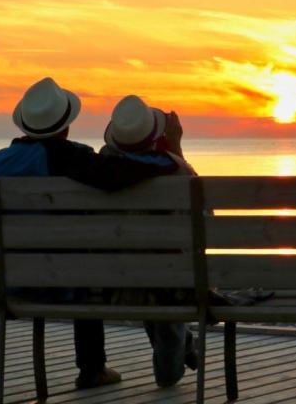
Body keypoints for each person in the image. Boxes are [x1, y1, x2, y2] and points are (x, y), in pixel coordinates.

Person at [0, 78, 181, 390]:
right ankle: (92, 370)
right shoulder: (68, 158)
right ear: (67, 125)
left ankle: (94, 369)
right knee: (83, 263)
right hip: (60, 283)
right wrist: (169, 155)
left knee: (76, 260)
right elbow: (117, 176)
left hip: (5, 281)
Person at [101, 94, 198, 388]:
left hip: (111, 282)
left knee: (143, 264)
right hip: (169, 283)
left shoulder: (96, 171)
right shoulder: (176, 169)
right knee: (164, 269)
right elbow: (204, 220)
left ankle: (185, 347)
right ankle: (176, 358)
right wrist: (176, 148)